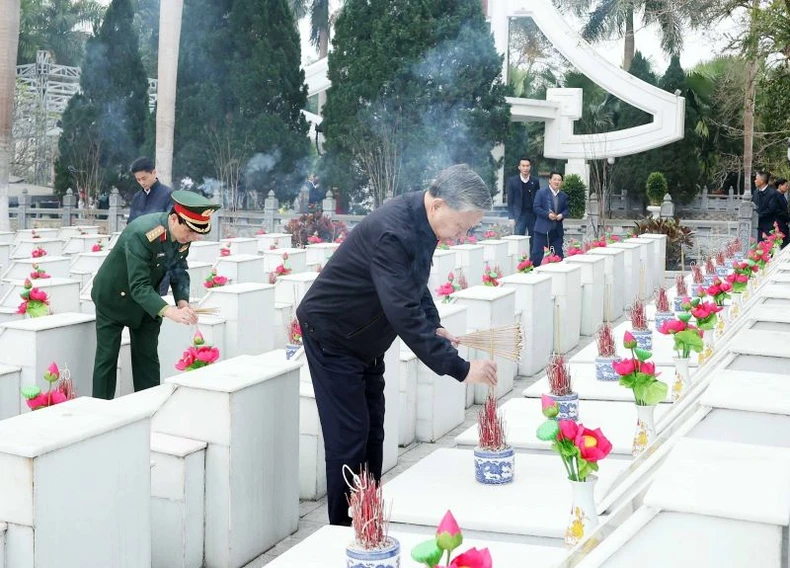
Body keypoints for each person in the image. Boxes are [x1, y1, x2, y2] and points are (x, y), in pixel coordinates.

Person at [296, 164, 499, 526]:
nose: (461, 234)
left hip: (365, 339)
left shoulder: (422, 223)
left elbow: (415, 285)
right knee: (350, 436)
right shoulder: (395, 231)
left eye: (468, 228)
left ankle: (367, 514)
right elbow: (403, 313)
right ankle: (346, 532)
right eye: (461, 224)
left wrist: (435, 327)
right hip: (334, 335)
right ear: (438, 205)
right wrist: (461, 368)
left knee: (373, 430)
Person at [91, 191, 221, 400]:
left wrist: (182, 302)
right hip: (115, 297)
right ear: (173, 219)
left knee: (148, 357)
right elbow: (138, 285)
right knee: (107, 359)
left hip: (148, 301)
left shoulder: (182, 235)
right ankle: (99, 411)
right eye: (189, 232)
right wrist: (170, 311)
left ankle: (148, 407)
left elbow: (179, 270)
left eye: (196, 234)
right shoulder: (143, 233)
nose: (192, 238)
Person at [530, 171, 569, 266]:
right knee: (537, 255)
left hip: (556, 231)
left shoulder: (563, 196)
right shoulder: (541, 193)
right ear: (550, 180)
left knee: (558, 255)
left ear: (561, 182)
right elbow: (536, 207)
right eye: (554, 179)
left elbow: (566, 210)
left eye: (559, 180)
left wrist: (561, 215)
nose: (557, 182)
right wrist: (547, 215)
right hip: (542, 230)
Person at [506, 157, 541, 238]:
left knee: (534, 238)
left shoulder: (535, 181)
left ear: (530, 167)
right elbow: (510, 201)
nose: (525, 168)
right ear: (519, 167)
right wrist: (511, 217)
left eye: (527, 166)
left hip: (532, 215)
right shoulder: (512, 181)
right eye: (523, 166)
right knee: (519, 238)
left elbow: (537, 199)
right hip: (519, 215)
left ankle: (532, 251)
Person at [752, 171, 777, 242]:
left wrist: (757, 216)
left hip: (767, 227)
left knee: (766, 249)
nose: (755, 181)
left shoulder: (772, 193)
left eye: (756, 179)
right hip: (756, 226)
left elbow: (771, 209)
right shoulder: (755, 192)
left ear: (762, 181)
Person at [771, 178, 789, 248]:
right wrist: (788, 217)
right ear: (779, 186)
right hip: (778, 225)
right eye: (786, 185)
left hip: (784, 224)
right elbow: (777, 210)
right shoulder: (775, 195)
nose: (787, 188)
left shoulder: (782, 196)